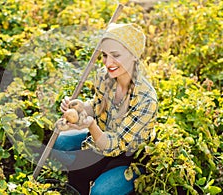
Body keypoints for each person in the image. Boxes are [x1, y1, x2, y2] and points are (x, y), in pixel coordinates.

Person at [52, 23, 158, 195]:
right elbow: (96, 106)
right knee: (60, 142)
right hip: (101, 139)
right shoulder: (104, 76)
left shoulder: (146, 100)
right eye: (104, 55)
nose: (108, 63)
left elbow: (115, 145)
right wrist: (79, 108)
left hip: (129, 156)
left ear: (133, 56)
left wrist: (91, 126)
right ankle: (92, 174)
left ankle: (119, 183)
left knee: (100, 192)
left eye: (115, 55)